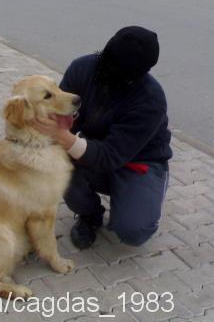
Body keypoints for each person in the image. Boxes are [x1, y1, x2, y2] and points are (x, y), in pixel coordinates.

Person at [31, 26, 172, 249]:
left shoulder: (150, 100)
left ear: (139, 73)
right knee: (54, 167)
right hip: (93, 151)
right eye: (108, 60)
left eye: (120, 70)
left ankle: (134, 199)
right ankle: (90, 214)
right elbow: (57, 117)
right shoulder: (82, 69)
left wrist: (63, 137)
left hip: (139, 162)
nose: (109, 69)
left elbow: (109, 156)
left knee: (132, 231)